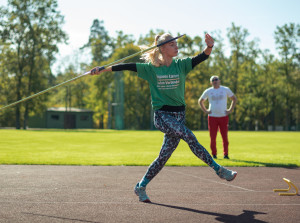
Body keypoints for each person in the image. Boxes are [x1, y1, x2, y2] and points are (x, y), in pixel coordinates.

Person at [90, 33, 237, 203]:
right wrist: (102, 69)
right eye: (172, 44)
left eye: (176, 44)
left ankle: (141, 186)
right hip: (162, 116)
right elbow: (126, 66)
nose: (176, 47)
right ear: (162, 48)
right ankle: (219, 170)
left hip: (179, 116)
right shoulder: (151, 68)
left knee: (162, 158)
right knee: (189, 135)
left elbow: (202, 57)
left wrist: (210, 46)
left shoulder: (181, 65)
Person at [198, 76, 237, 159]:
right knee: (212, 137)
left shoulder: (225, 89)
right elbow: (200, 101)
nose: (215, 81)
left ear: (219, 81)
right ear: (211, 82)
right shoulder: (208, 91)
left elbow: (234, 99)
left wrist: (230, 110)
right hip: (212, 117)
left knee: (224, 137)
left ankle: (226, 154)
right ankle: (214, 154)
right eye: (213, 80)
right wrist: (206, 111)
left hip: (223, 116)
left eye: (216, 79)